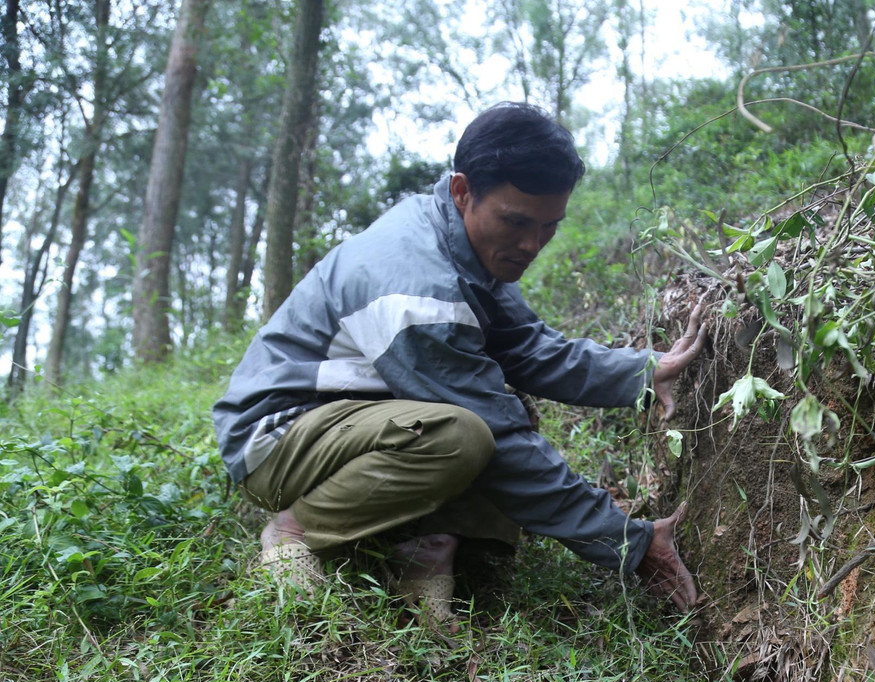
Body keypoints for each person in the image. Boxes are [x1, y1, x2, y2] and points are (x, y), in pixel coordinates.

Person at [212, 102, 704, 623]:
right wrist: (626, 540)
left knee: (483, 419)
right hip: (279, 436)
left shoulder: (453, 237)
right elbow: (502, 438)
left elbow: (526, 347)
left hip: (353, 418)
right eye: (515, 222)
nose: (531, 245)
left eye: (549, 226)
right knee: (464, 435)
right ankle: (297, 528)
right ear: (463, 191)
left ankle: (425, 543)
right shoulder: (417, 287)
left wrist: (639, 373)